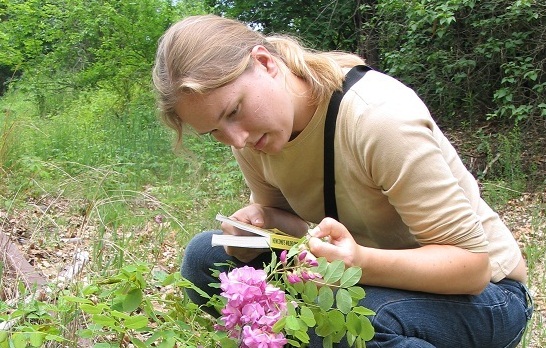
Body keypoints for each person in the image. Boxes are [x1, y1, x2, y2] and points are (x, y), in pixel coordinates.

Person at [152, 14, 533, 347]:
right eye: (215, 131)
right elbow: (299, 230)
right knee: (207, 256)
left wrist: (358, 261)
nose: (236, 139)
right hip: (364, 278)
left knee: (341, 322)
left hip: (488, 297)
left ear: (266, 63)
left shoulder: (378, 118)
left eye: (234, 111)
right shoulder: (254, 136)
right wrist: (263, 225)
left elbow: (472, 267)